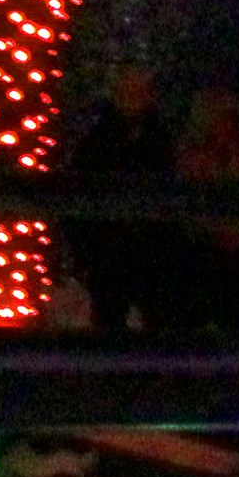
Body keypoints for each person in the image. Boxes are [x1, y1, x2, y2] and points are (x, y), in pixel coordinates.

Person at [58, 61, 174, 333]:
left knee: (155, 321)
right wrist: (86, 251)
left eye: (140, 92)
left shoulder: (160, 141)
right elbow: (78, 198)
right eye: (129, 92)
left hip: (149, 251)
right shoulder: (97, 144)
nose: (135, 99)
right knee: (111, 321)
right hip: (109, 253)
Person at [154, 87, 239, 337]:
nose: (229, 126)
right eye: (224, 119)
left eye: (232, 120)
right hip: (199, 253)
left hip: (233, 255)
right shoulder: (191, 159)